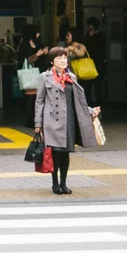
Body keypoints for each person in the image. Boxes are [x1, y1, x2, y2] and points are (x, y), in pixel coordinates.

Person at [34, 46, 101, 195]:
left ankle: (64, 183)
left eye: (65, 58)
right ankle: (55, 184)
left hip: (69, 120)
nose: (63, 61)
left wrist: (91, 111)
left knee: (66, 153)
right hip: (52, 121)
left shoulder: (72, 77)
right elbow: (39, 102)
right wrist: (38, 124)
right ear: (52, 61)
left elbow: (79, 101)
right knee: (56, 153)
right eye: (59, 58)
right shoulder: (44, 77)